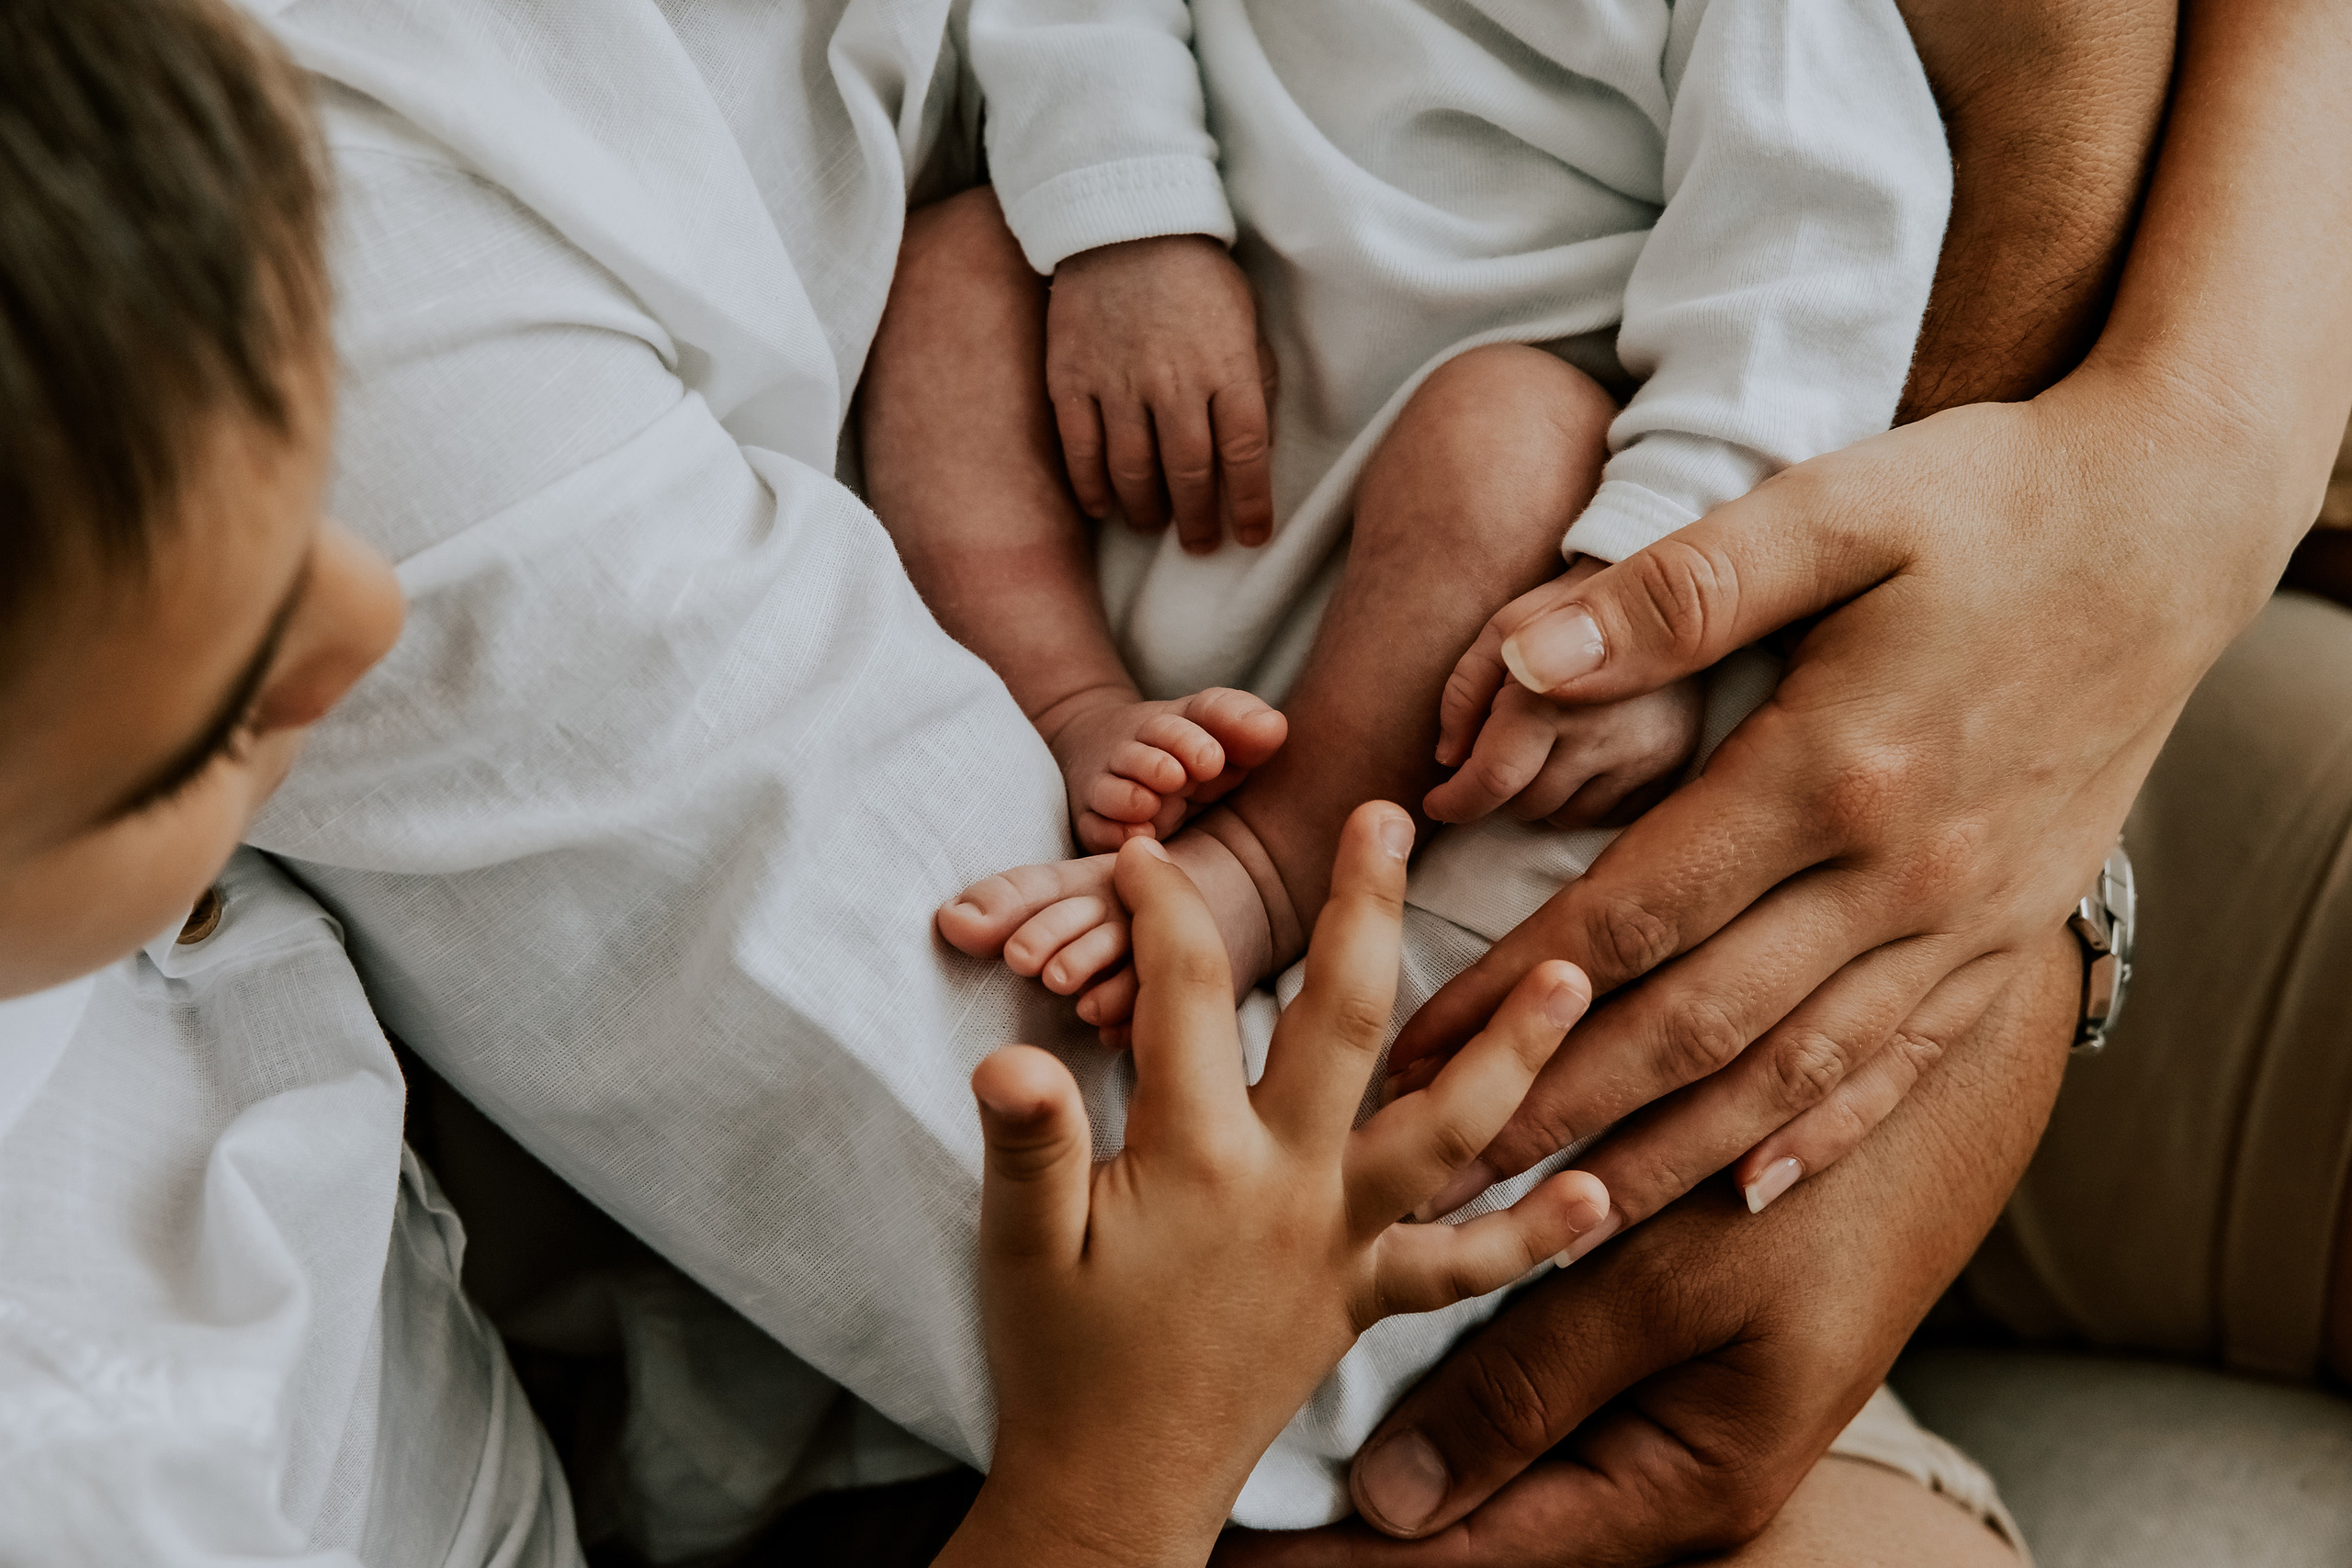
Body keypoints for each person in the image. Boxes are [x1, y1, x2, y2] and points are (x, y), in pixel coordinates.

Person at [242, 0, 2346, 1560]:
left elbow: (1925, 169)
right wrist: (1932, 937)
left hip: (1812, 623)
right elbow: (1232, 1274)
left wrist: (2163, 490)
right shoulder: (327, 233)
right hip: (1426, 958)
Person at [0, 6, 1603, 1562]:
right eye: (216, 709)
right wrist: (1114, 1480)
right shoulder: (87, 1444)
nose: (357, 623)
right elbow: (1310, 1320)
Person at [907, 0, 1947, 1044]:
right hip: (1138, 360)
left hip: (1459, 551)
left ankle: (1266, 871)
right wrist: (1127, 222)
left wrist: (1639, 571)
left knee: (1514, 430)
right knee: (957, 265)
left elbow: (1812, 244)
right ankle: (1070, 708)